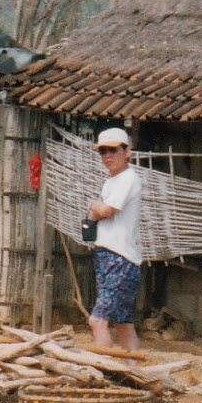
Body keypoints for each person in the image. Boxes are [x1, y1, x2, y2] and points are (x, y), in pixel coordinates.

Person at [85, 127, 142, 352]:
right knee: (123, 323)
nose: (107, 156)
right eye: (103, 151)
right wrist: (96, 209)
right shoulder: (111, 182)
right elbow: (96, 215)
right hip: (108, 254)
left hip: (120, 257)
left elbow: (107, 210)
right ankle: (132, 373)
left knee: (97, 320)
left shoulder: (128, 178)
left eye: (113, 150)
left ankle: (106, 371)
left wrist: (94, 205)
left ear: (127, 151)